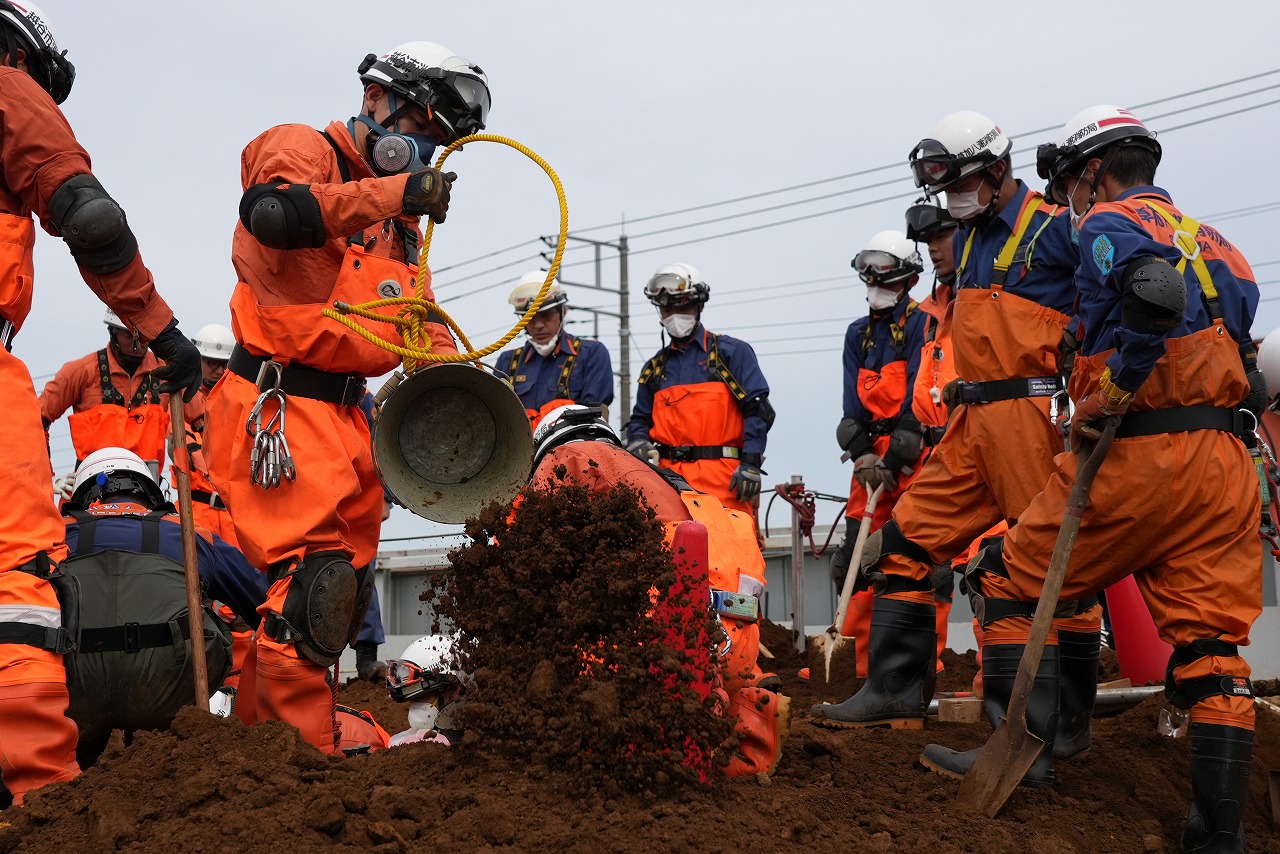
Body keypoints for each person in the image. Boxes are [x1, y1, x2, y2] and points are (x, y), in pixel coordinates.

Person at [923, 107, 1263, 850]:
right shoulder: (1222, 245)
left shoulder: (1107, 223)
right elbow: (1244, 355)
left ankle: (1028, 753)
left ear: (1090, 174)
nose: (1069, 199)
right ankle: (1218, 839)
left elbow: (1151, 296)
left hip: (1143, 455)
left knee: (1007, 575)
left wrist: (1115, 391)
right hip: (1222, 465)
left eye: (1070, 184)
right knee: (1210, 652)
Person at [203, 41, 487, 753]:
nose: (426, 148)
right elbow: (273, 213)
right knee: (313, 586)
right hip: (278, 401)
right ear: (375, 100)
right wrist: (392, 192)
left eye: (440, 141)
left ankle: (265, 745)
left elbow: (418, 322)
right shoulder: (303, 148)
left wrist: (462, 397)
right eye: (422, 125)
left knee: (342, 593)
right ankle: (299, 758)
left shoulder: (399, 229)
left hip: (345, 414)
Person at [812, 111, 1103, 740]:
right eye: (942, 191)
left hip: (1028, 416)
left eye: (960, 185)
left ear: (998, 170)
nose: (951, 201)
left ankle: (1045, 730)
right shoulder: (969, 240)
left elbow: (1103, 301)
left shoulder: (1056, 230)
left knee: (1039, 569)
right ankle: (893, 691)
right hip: (970, 422)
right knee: (905, 544)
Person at [0, 0, 201, 806]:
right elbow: (89, 214)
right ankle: (40, 801)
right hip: (118, 506)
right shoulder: (9, 87)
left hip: (129, 494)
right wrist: (161, 325)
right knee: (15, 583)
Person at [535, 404, 787, 777]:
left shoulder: (565, 460)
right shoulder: (665, 478)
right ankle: (751, 715)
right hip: (736, 637)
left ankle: (655, 754)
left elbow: (528, 559)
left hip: (662, 641)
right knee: (715, 675)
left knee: (550, 655)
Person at [59, 447, 267, 768]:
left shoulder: (53, 538)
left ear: (83, 494)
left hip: (74, 696)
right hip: (173, 693)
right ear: (151, 491)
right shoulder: (190, 534)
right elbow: (265, 604)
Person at [904, 199, 1008, 684]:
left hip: (990, 449)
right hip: (943, 457)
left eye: (940, 239)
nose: (932, 251)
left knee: (995, 569)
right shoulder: (932, 313)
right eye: (926, 243)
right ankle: (909, 685)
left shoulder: (987, 294)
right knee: (902, 557)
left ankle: (1007, 693)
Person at [828, 230, 927, 677]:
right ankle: (853, 661)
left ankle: (919, 663)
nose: (874, 281)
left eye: (883, 272)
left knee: (912, 556)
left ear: (907, 277)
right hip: (868, 463)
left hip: (913, 455)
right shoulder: (858, 334)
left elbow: (919, 396)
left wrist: (896, 457)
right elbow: (852, 405)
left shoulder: (922, 324)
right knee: (855, 556)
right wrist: (864, 454)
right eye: (868, 271)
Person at [624, 263, 774, 519]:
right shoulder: (654, 369)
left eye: (680, 307)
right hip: (669, 485)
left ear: (700, 305)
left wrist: (750, 463)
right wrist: (637, 440)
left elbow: (758, 411)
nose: (673, 315)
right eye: (666, 309)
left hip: (725, 482)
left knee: (731, 555)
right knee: (671, 554)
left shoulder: (732, 354)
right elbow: (639, 420)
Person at [39, 309, 194, 478]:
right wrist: (47, 478)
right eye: (129, 336)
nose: (137, 344)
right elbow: (36, 420)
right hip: (91, 492)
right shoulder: (81, 372)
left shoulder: (168, 373)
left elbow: (205, 416)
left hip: (147, 494)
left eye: (142, 337)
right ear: (113, 332)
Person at [496, 270, 614, 425]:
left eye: (546, 316)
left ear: (563, 312)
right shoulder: (507, 362)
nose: (538, 325)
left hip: (572, 447)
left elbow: (594, 422)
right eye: (529, 318)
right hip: (519, 448)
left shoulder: (591, 354)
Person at [385, 634, 466, 747]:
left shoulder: (475, 738)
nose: (414, 707)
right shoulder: (404, 740)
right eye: (412, 699)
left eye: (421, 697)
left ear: (452, 690)